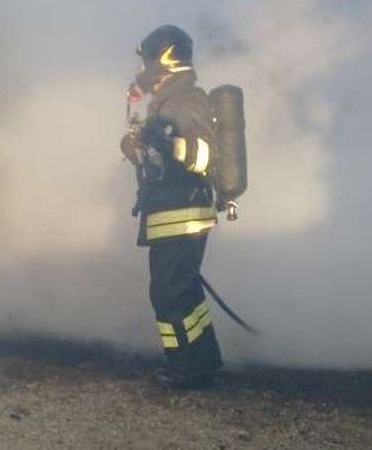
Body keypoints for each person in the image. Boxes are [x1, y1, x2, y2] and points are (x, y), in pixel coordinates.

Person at [120, 25, 222, 390]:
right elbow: (159, 163)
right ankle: (203, 364)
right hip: (171, 214)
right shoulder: (166, 104)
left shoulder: (187, 101)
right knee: (184, 294)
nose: (143, 69)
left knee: (170, 295)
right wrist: (137, 147)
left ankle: (187, 372)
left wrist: (167, 142)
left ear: (163, 61)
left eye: (147, 60)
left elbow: (206, 157)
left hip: (184, 215)